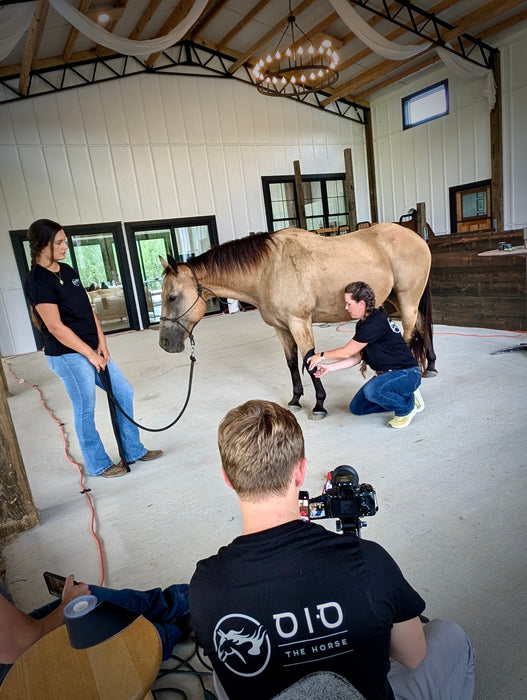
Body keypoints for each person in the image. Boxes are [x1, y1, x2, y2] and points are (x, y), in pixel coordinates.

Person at [189, 400, 475, 700]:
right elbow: (413, 656)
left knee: (224, 673)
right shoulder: (368, 561)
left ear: (227, 478)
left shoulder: (207, 586)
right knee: (450, 635)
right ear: (300, 472)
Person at [23, 219, 163, 477]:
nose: (66, 246)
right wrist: (88, 354)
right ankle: (99, 464)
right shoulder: (38, 281)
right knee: (85, 407)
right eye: (59, 242)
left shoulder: (68, 271)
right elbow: (55, 327)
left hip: (92, 349)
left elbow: (89, 311)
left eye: (64, 240)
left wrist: (102, 344)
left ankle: (133, 450)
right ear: (43, 246)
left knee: (123, 392)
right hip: (67, 356)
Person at [0, 574, 190, 685]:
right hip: (10, 672)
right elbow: (22, 643)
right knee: (95, 623)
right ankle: (169, 631)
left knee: (90, 598)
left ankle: (184, 601)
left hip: (16, 639)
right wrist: (66, 606)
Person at [307, 280, 424, 429]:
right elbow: (356, 357)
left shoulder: (375, 323)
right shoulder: (363, 324)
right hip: (386, 376)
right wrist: (330, 368)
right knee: (358, 408)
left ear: (361, 303)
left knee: (372, 391)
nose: (346, 308)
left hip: (406, 374)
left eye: (349, 304)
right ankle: (405, 396)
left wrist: (321, 355)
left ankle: (406, 407)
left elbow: (346, 351)